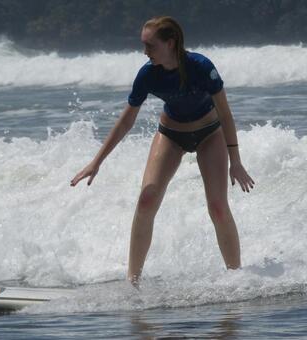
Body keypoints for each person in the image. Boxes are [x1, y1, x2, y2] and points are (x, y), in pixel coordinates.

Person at [70, 16, 255, 285]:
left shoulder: (201, 67)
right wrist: (96, 161)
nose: (145, 52)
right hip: (171, 135)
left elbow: (225, 114)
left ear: (171, 43)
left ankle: (237, 279)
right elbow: (126, 120)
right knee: (146, 200)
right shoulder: (148, 74)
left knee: (217, 206)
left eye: (150, 46)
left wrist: (235, 161)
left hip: (209, 135)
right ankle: (132, 282)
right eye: (144, 46)